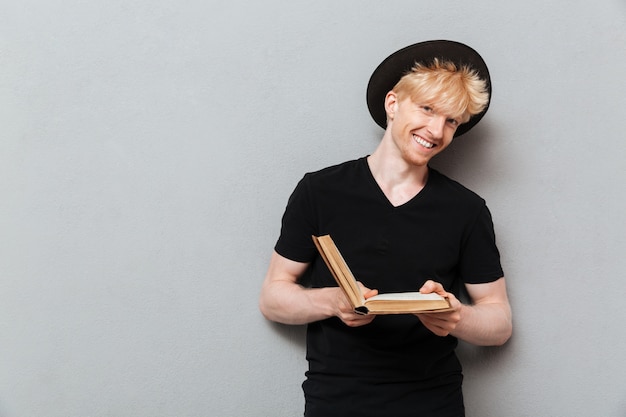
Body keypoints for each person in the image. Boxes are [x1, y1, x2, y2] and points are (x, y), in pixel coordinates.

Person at [259, 40, 512, 417]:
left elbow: (500, 321)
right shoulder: (320, 191)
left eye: (451, 121)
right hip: (336, 399)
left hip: (433, 401)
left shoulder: (467, 210)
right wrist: (334, 301)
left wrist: (456, 316)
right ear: (392, 103)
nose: (436, 130)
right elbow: (273, 297)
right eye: (427, 109)